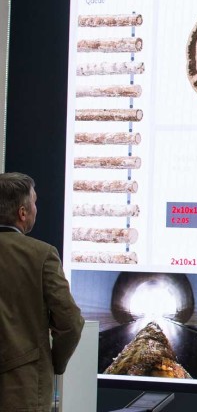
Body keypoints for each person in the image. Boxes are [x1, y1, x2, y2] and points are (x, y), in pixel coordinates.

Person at [0, 172, 83, 411]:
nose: (37, 209)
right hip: (22, 389)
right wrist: (55, 363)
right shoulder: (42, 255)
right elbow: (70, 322)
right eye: (34, 202)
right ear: (22, 213)